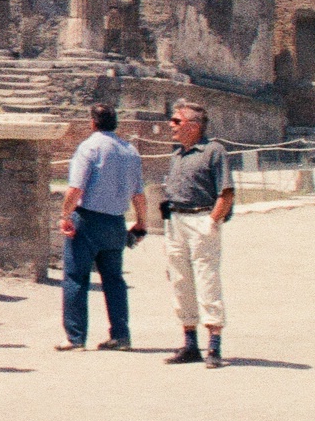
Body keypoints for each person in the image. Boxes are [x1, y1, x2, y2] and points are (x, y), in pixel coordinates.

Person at [57, 103, 146, 352]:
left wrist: (65, 215)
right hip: (116, 222)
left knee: (76, 277)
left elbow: (76, 188)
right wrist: (142, 222)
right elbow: (139, 193)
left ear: (93, 122)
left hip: (87, 220)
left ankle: (75, 337)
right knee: (114, 280)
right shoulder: (130, 151)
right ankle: (121, 335)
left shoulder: (90, 147)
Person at [158, 102, 235, 367]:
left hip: (201, 219)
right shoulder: (177, 154)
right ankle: (190, 344)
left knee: (206, 280)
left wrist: (211, 222)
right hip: (176, 222)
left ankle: (214, 346)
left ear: (193, 126)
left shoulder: (214, 151)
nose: (171, 125)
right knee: (180, 281)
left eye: (176, 121)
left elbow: (226, 192)